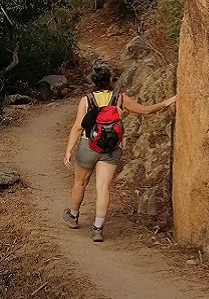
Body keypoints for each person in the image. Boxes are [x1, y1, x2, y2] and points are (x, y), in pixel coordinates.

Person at [62, 59, 176, 242]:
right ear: (110, 80)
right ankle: (97, 229)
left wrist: (68, 150)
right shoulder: (120, 98)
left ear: (94, 81)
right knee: (103, 187)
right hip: (111, 149)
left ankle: (73, 217)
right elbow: (146, 111)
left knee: (80, 183)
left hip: (88, 146)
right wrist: (168, 101)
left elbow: (77, 127)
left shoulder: (87, 100)